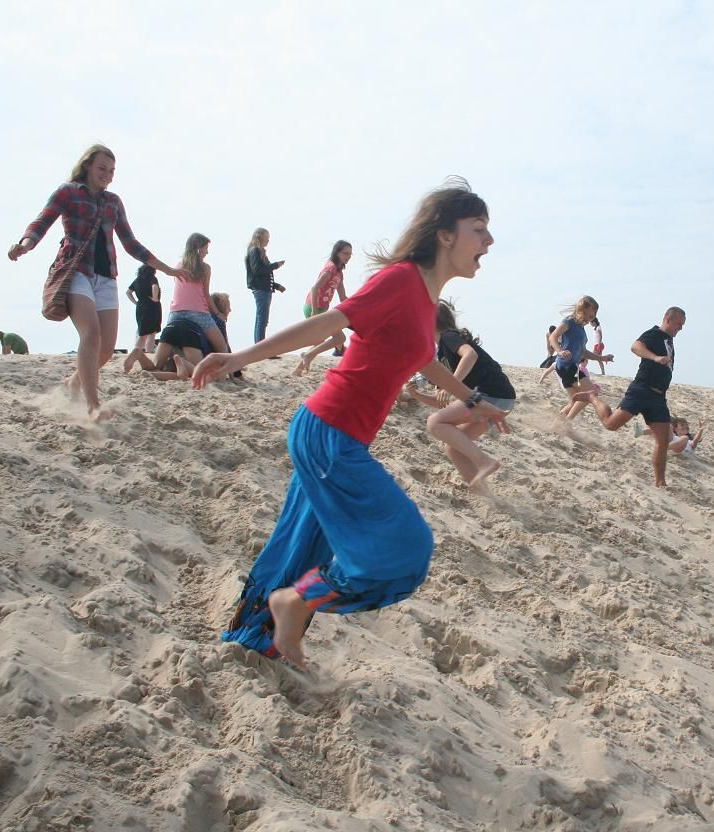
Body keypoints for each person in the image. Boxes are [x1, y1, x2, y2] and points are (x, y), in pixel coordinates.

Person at [190, 179, 506, 669]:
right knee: (407, 548)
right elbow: (328, 322)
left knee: (301, 548)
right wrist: (241, 356)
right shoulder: (400, 279)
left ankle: (255, 641)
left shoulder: (425, 300)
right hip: (327, 431)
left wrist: (473, 400)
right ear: (446, 234)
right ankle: (292, 603)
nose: (489, 240)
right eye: (479, 229)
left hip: (339, 436)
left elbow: (422, 360)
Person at [8, 144, 188, 421]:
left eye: (112, 170)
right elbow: (42, 222)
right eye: (102, 168)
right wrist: (25, 244)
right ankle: (93, 406)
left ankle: (72, 383)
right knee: (90, 334)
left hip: (106, 278)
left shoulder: (113, 202)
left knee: (105, 350)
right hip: (76, 271)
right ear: (87, 166)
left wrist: (167, 269)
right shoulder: (68, 192)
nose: (107, 174)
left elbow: (130, 243)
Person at [574, 307, 686, 487]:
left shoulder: (669, 340)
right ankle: (592, 397)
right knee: (611, 424)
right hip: (642, 390)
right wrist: (655, 358)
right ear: (668, 319)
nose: (681, 328)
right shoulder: (655, 334)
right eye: (679, 323)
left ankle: (660, 482)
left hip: (658, 397)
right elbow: (635, 346)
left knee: (663, 440)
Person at [424, 300, 517, 489]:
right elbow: (441, 401)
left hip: (490, 393)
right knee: (453, 447)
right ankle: (482, 494)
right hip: (499, 399)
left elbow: (470, 355)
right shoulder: (441, 353)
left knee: (434, 422)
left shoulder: (448, 336)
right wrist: (414, 394)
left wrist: (450, 385)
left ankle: (484, 461)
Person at [292, 241, 353, 376]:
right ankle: (305, 358)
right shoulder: (331, 269)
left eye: (350, 254)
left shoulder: (339, 273)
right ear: (337, 253)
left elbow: (343, 297)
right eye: (345, 253)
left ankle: (299, 368)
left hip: (322, 310)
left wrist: (358, 307)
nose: (348, 257)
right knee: (338, 338)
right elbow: (315, 288)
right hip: (313, 307)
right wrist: (314, 313)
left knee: (325, 340)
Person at [167, 233, 230, 356]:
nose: (207, 252)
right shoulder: (205, 268)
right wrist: (218, 313)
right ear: (199, 249)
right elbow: (206, 294)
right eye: (206, 248)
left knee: (171, 344)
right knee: (222, 347)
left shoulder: (179, 265)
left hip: (175, 313)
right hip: (198, 314)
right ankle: (225, 369)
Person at [550, 296, 612, 420]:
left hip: (570, 367)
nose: (592, 318)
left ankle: (556, 424)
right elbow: (553, 337)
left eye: (594, 316)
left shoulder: (581, 329)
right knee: (591, 393)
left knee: (575, 401)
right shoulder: (569, 321)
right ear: (582, 309)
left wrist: (602, 358)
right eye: (591, 314)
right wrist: (560, 351)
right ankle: (568, 421)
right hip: (566, 365)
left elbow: (584, 352)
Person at [245, 227, 286, 345]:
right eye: (266, 237)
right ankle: (260, 346)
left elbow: (262, 275)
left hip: (264, 289)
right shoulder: (255, 251)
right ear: (260, 237)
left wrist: (276, 286)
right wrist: (275, 265)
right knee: (262, 319)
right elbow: (257, 271)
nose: (268, 240)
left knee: (262, 319)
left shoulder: (258, 251)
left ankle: (259, 345)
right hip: (261, 290)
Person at [125, 264, 162, 353]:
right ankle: (148, 352)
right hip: (152, 306)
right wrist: (155, 298)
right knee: (152, 332)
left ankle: (137, 352)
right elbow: (155, 286)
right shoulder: (152, 278)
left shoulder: (137, 280)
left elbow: (128, 292)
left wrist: (135, 302)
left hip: (140, 307)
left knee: (143, 333)